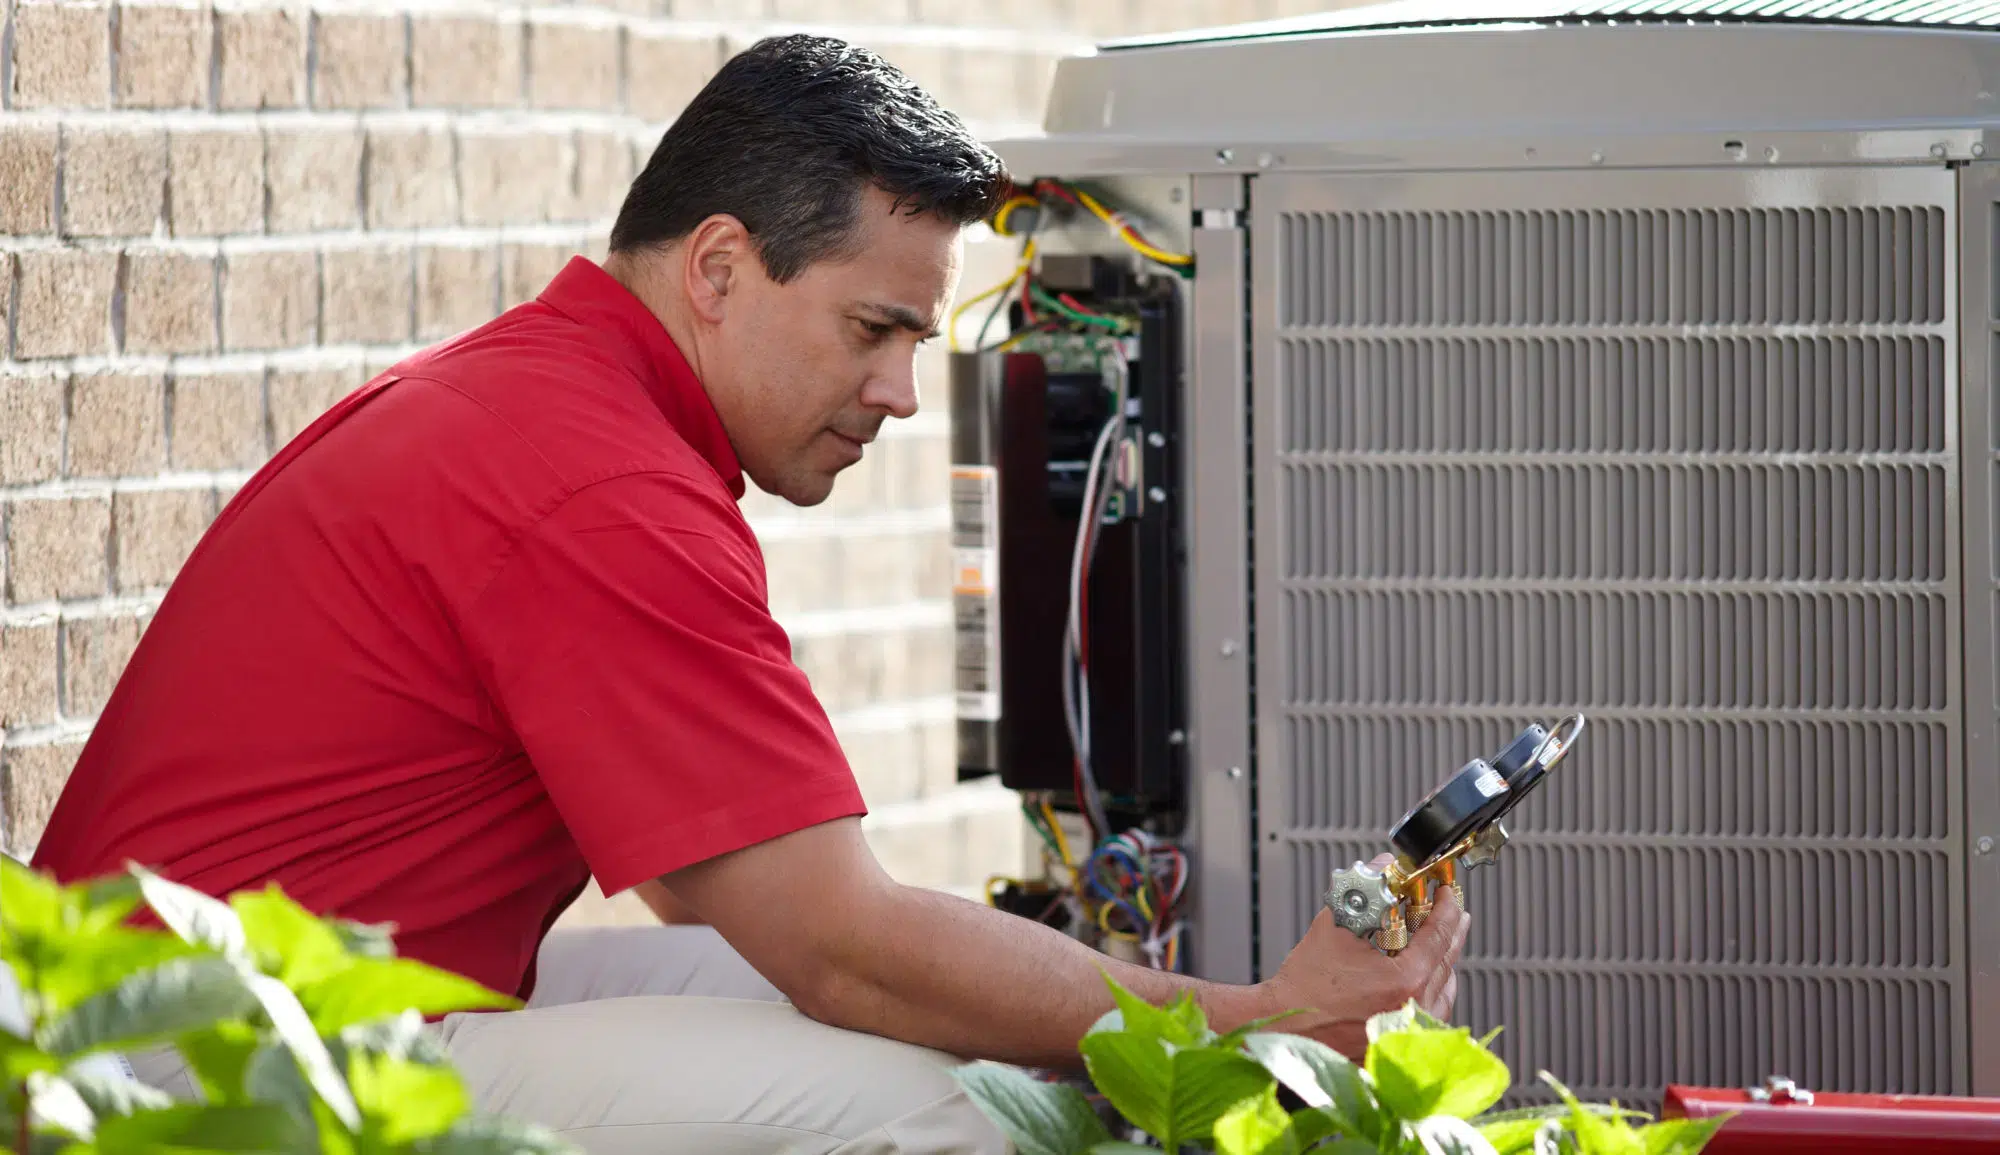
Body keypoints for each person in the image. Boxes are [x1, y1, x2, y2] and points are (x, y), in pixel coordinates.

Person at [28, 33, 1467, 1154]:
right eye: (873, 327)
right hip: (181, 1073)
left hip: (211, 1012)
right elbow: (845, 946)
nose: (905, 391)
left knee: (915, 1033)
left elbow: (762, 912)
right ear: (719, 265)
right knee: (949, 1112)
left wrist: (1201, 1027)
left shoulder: (561, 407)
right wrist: (1255, 1028)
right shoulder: (597, 486)